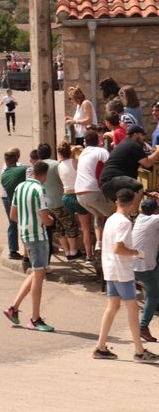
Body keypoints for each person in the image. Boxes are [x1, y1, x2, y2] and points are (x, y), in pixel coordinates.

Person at [93, 188, 159, 362]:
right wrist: (136, 252)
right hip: (121, 271)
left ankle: (101, 347)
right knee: (132, 309)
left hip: (111, 270)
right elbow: (119, 248)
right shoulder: (123, 222)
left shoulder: (111, 219)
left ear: (117, 201)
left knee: (113, 307)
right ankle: (139, 351)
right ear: (132, 203)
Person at [3, 161, 56, 332]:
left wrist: (26, 223)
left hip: (25, 234)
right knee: (39, 275)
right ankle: (35, 319)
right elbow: (45, 217)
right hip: (38, 235)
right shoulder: (39, 190)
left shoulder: (20, 188)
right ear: (44, 175)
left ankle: (14, 308)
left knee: (35, 272)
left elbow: (13, 215)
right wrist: (51, 221)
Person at [99, 125, 159, 201]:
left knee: (126, 202)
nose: (143, 138)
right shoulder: (134, 145)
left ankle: (129, 212)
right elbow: (147, 163)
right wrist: (158, 151)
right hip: (113, 180)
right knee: (138, 187)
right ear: (135, 134)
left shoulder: (125, 144)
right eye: (142, 135)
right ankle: (134, 213)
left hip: (107, 183)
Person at [57, 140, 94, 261]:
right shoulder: (76, 162)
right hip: (77, 196)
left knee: (70, 225)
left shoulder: (60, 165)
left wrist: (69, 151)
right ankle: (89, 255)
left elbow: (64, 159)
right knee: (86, 228)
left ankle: (72, 250)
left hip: (65, 197)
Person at [132, 197, 159, 342]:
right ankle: (143, 327)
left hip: (139, 263)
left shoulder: (140, 218)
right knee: (153, 294)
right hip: (144, 267)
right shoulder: (154, 220)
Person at [0, 149, 27, 260]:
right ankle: (25, 251)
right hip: (13, 198)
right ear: (17, 157)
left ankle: (13, 249)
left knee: (13, 223)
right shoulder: (21, 167)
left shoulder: (5, 167)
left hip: (5, 197)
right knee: (21, 223)